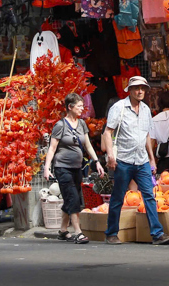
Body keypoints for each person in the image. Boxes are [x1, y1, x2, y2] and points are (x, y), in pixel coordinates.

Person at [101, 76, 169, 245]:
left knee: (149, 196)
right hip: (123, 160)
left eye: (142, 88)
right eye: (136, 88)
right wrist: (111, 155)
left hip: (141, 161)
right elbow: (107, 132)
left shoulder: (146, 110)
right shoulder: (119, 108)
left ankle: (157, 234)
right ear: (129, 90)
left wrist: (152, 159)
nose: (140, 91)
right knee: (118, 197)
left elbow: (146, 135)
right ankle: (111, 233)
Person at [44, 92, 104, 243]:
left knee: (71, 198)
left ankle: (63, 231)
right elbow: (52, 148)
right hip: (62, 168)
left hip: (77, 168)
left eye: (82, 106)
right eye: (79, 106)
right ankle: (78, 232)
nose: (82, 109)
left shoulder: (82, 124)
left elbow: (88, 145)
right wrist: (47, 168)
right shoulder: (60, 125)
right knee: (73, 198)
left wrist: (96, 161)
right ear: (70, 107)